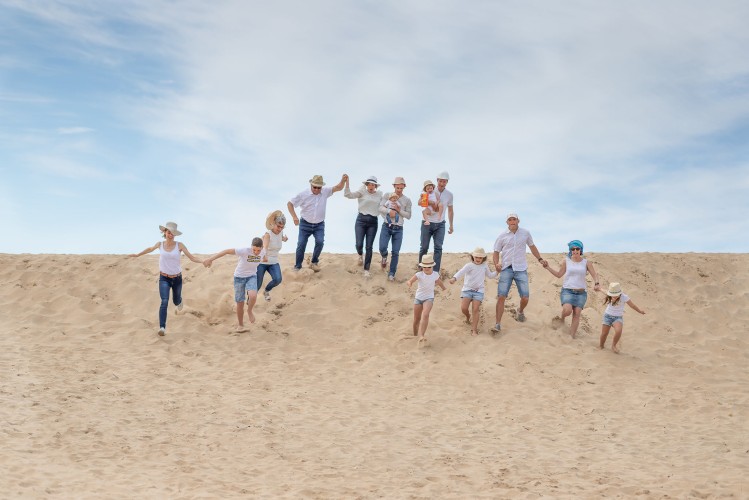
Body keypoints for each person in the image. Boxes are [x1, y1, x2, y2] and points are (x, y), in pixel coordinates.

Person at [129, 221, 203, 337]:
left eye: (173, 233)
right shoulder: (160, 244)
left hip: (177, 278)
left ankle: (179, 300)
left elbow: (192, 257)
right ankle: (162, 327)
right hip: (164, 278)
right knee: (164, 301)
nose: (171, 235)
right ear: (164, 232)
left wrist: (203, 261)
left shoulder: (180, 245)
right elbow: (150, 249)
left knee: (176, 301)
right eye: (169, 232)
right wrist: (137, 255)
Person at [491, 213, 547, 334]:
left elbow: (532, 247)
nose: (512, 221)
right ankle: (497, 324)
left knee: (525, 297)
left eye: (514, 219)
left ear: (518, 221)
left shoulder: (525, 233)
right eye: (510, 220)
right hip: (506, 268)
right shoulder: (502, 236)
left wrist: (540, 259)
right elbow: (495, 252)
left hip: (521, 269)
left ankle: (520, 311)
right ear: (507, 222)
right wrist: (496, 264)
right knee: (501, 296)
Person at [203, 237, 265, 332]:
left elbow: (265, 251)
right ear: (251, 247)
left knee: (253, 295)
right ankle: (240, 325)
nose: (256, 252)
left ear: (262, 248)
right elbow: (226, 251)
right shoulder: (244, 251)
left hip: (251, 276)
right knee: (240, 303)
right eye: (254, 250)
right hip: (239, 278)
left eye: (258, 250)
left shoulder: (263, 252)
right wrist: (210, 259)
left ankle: (249, 311)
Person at [543, 240, 602, 338]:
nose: (575, 251)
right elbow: (559, 275)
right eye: (572, 249)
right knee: (567, 310)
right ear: (570, 250)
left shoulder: (586, 263)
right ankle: (562, 319)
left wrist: (597, 283)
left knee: (577, 313)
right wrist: (547, 267)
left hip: (581, 293)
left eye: (577, 249)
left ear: (580, 250)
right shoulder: (566, 261)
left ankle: (571, 337)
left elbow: (594, 275)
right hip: (568, 291)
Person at [287, 174, 346, 271]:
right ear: (311, 185)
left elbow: (338, 188)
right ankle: (298, 266)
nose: (317, 190)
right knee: (301, 244)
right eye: (315, 187)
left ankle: (314, 262)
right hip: (305, 224)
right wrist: (294, 217)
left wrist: (343, 180)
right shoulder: (303, 194)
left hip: (319, 225)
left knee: (320, 242)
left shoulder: (325, 191)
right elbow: (290, 204)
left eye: (319, 188)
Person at [449, 247, 498, 336]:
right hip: (467, 290)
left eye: (480, 257)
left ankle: (474, 330)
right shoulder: (469, 265)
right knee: (464, 308)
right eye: (476, 257)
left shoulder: (484, 266)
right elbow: (461, 272)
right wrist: (454, 278)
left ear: (483, 258)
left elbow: (490, 276)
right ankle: (468, 316)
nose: (478, 259)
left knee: (475, 309)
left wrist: (497, 272)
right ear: (473, 257)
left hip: (479, 291)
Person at [343, 174, 383, 278]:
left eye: (373, 184)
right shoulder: (362, 192)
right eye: (369, 184)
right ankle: (360, 255)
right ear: (366, 184)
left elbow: (384, 206)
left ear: (376, 186)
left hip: (373, 222)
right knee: (359, 244)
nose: (371, 186)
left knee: (369, 246)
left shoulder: (379, 194)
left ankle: (366, 270)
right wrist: (347, 183)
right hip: (361, 220)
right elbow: (348, 195)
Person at [407, 254, 447, 345]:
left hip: (429, 298)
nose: (426, 268)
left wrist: (444, 288)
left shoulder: (435, 274)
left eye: (428, 266)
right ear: (422, 267)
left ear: (432, 266)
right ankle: (415, 336)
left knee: (425, 314)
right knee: (416, 319)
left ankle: (421, 335)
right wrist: (409, 283)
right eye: (424, 266)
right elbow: (411, 280)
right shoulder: (419, 274)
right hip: (418, 298)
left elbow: (439, 282)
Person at [418, 171, 453, 273]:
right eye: (440, 181)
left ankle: (436, 272)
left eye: (444, 181)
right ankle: (421, 268)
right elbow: (420, 203)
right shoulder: (429, 189)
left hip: (440, 224)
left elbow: (450, 210)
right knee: (424, 247)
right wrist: (430, 202)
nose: (442, 183)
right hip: (427, 223)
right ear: (437, 181)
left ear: (447, 182)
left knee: (438, 247)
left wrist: (451, 225)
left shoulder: (449, 195)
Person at [378, 176, 412, 282]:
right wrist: (389, 212)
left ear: (404, 187)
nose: (399, 190)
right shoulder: (387, 195)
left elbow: (409, 215)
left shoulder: (407, 200)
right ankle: (384, 257)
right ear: (394, 186)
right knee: (382, 247)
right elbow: (380, 207)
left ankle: (391, 273)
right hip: (386, 225)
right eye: (398, 188)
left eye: (401, 188)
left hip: (399, 228)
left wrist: (399, 210)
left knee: (396, 252)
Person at [599, 282, 646, 353]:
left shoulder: (624, 297)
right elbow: (603, 291)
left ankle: (613, 345)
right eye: (613, 295)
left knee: (618, 331)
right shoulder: (609, 294)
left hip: (617, 317)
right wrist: (599, 288)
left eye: (615, 295)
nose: (614, 296)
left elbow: (632, 305)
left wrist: (640, 311)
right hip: (607, 316)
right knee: (604, 333)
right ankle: (601, 346)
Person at [258, 210, 288, 302]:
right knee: (258, 284)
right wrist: (264, 254)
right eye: (278, 226)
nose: (279, 229)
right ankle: (249, 298)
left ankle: (266, 291)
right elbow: (265, 247)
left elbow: (280, 238)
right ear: (273, 223)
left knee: (278, 279)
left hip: (274, 262)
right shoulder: (268, 235)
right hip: (263, 262)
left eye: (282, 227)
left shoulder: (280, 233)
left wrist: (284, 239)